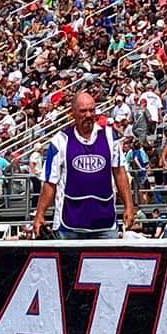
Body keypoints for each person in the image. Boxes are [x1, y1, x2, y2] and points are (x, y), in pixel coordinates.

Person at [31, 91, 136, 240]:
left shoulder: (109, 136)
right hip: (69, 223)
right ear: (72, 113)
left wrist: (129, 206)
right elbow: (50, 183)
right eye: (83, 111)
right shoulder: (60, 141)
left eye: (91, 110)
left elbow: (120, 173)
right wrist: (40, 214)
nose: (88, 115)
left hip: (104, 222)